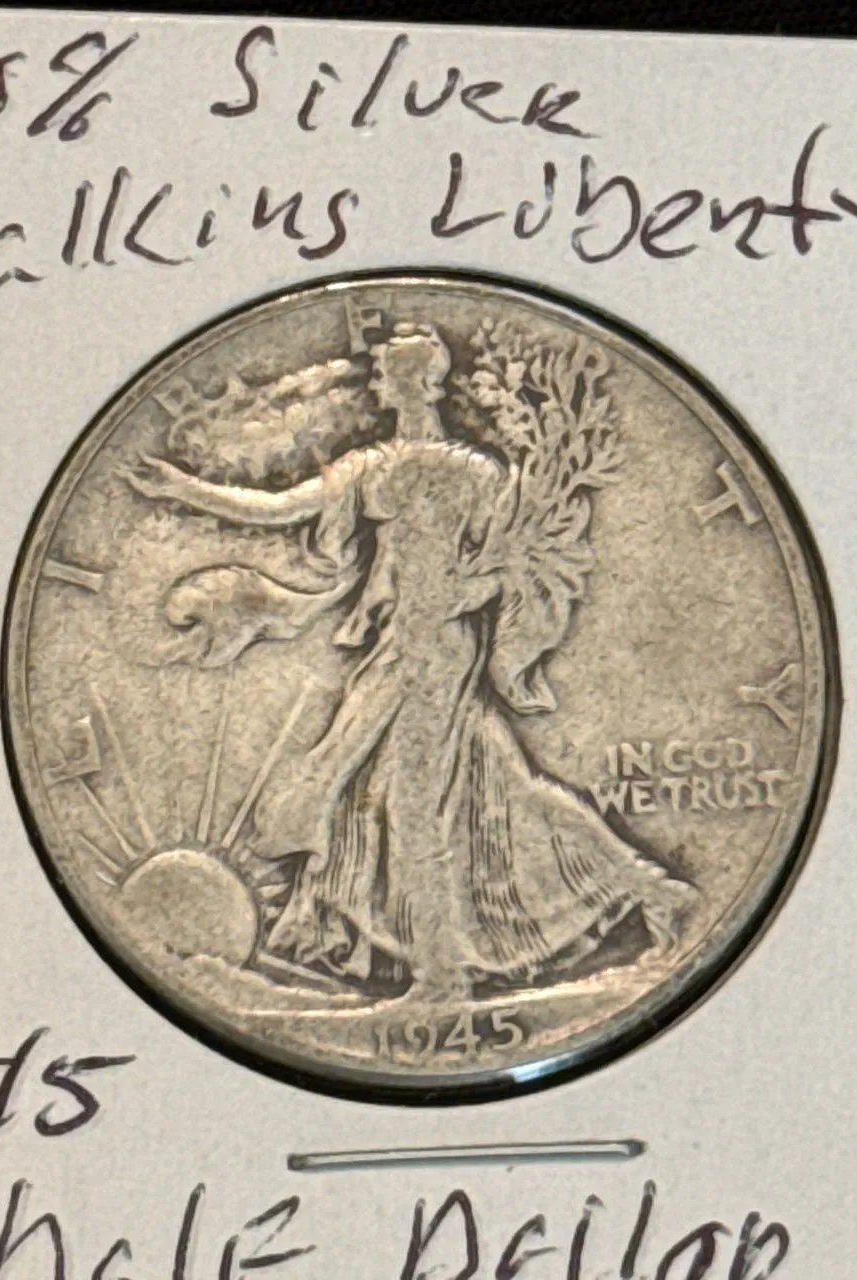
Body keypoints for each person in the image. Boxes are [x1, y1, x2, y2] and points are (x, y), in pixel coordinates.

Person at [126, 322, 695, 1000]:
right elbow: (281, 508)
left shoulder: (474, 473)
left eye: (390, 372)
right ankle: (652, 890)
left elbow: (514, 561)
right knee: (494, 783)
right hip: (400, 646)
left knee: (413, 807)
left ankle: (441, 975)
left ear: (421, 382)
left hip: (438, 651)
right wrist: (187, 490)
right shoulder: (376, 466)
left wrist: (466, 593)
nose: (379, 381)